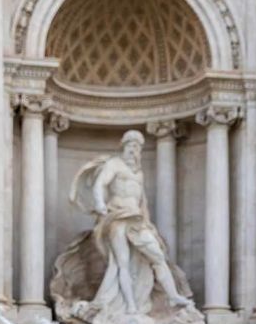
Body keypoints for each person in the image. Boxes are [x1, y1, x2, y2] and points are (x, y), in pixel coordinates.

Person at [70, 129, 190, 314]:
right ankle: (131, 305)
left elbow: (142, 202)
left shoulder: (139, 173)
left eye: (137, 146)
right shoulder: (114, 164)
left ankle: (173, 295)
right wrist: (100, 203)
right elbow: (100, 184)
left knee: (157, 256)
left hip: (137, 220)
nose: (134, 150)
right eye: (131, 145)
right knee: (122, 263)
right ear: (124, 146)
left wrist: (148, 223)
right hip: (117, 217)